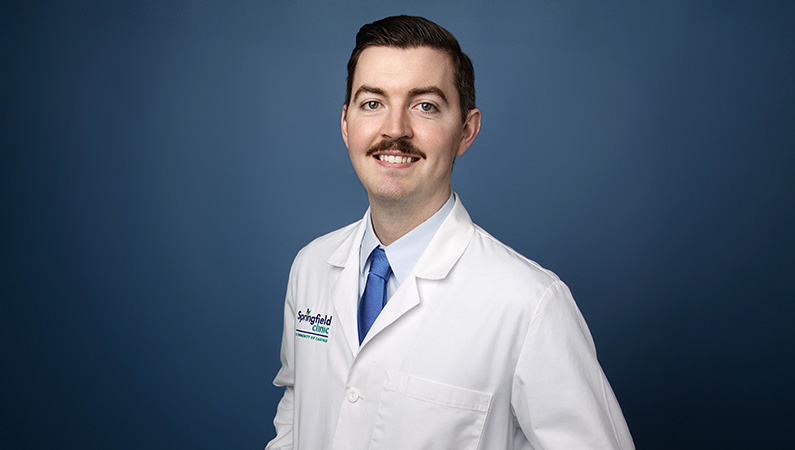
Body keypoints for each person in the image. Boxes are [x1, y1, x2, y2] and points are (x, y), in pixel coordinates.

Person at [265, 15, 634, 450]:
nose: (395, 129)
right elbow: (298, 412)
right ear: (346, 123)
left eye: (425, 106)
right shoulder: (310, 267)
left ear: (466, 130)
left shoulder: (529, 305)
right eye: (372, 103)